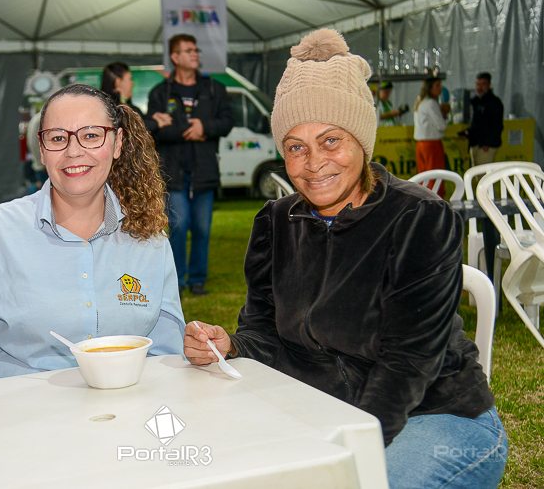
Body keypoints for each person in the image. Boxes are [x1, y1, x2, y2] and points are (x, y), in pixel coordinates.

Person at [184, 29, 507, 488]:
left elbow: (409, 363)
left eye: (331, 140)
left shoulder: (419, 217)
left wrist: (341, 455)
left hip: (434, 415)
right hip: (323, 411)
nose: (314, 162)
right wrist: (231, 344)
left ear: (361, 139)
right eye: (295, 146)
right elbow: (264, 332)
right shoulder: (276, 222)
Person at [0, 84, 185, 386]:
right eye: (58, 138)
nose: (74, 151)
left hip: (123, 404)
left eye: (91, 136)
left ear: (117, 144)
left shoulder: (148, 238)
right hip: (19, 406)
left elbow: (166, 348)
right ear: (42, 149)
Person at [146, 34, 234, 296]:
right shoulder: (160, 92)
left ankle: (197, 280)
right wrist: (189, 130)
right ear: (175, 57)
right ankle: (177, 281)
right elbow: (154, 129)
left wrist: (205, 127)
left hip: (204, 170)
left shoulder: (214, 89)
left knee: (202, 229)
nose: (195, 54)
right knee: (179, 226)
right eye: (188, 50)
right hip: (173, 173)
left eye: (196, 50)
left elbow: (227, 122)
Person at [413, 76, 448, 196]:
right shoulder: (431, 103)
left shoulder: (419, 101)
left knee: (424, 177)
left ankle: (425, 201)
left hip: (420, 144)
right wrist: (444, 113)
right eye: (437, 85)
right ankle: (437, 202)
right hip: (432, 144)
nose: (440, 88)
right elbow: (442, 126)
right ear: (430, 87)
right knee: (435, 176)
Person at [460, 72, 504, 166]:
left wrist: (487, 143)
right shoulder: (475, 101)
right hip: (475, 143)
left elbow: (497, 125)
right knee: (475, 173)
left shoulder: (495, 103)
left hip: (486, 146)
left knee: (483, 173)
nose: (479, 87)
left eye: (483, 84)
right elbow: (476, 123)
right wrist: (468, 133)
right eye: (478, 84)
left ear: (489, 85)